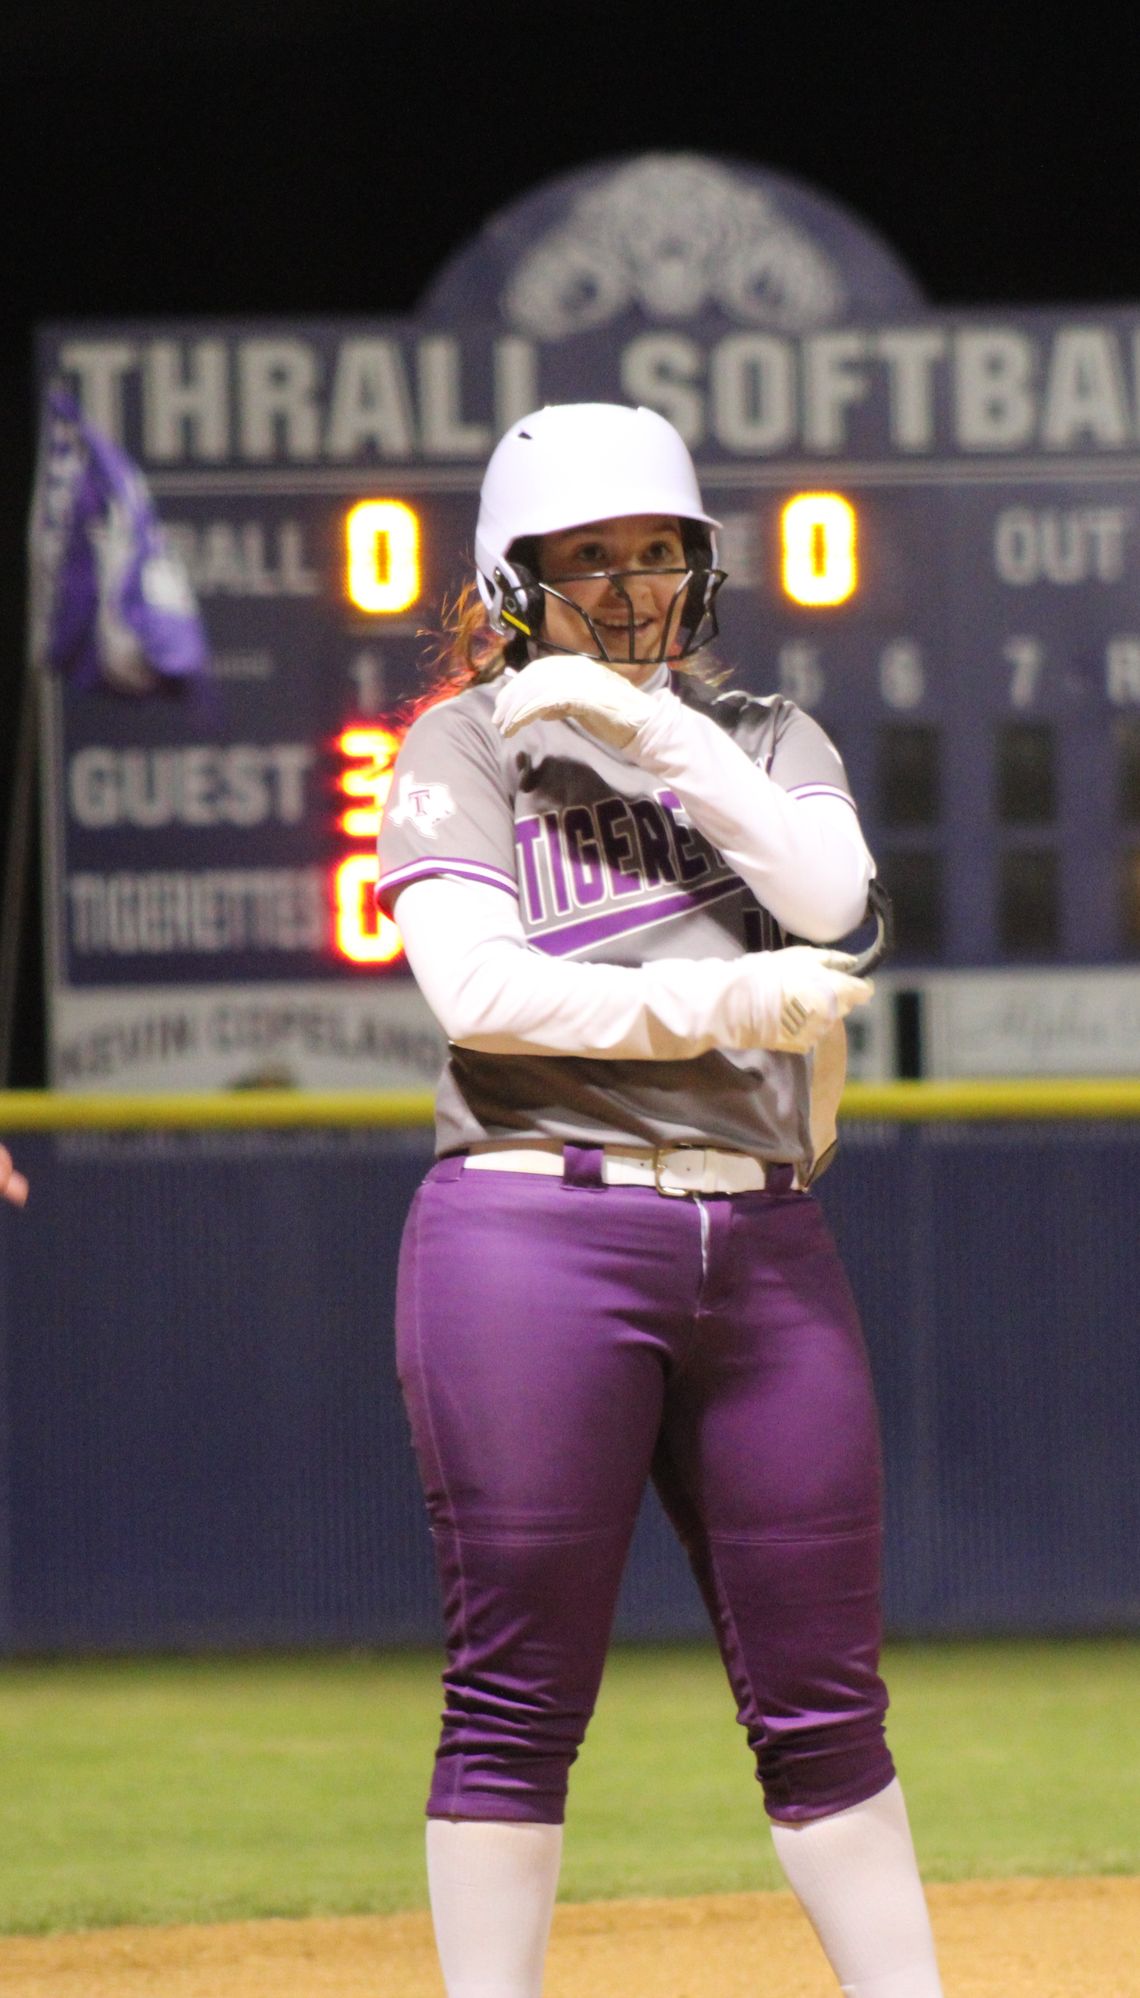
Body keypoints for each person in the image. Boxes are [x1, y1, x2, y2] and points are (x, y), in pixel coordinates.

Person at [377, 402, 942, 1998]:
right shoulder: (462, 743)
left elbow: (833, 899)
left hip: (761, 1234)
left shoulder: (765, 733)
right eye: (584, 559)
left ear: (699, 567)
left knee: (830, 1698)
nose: (626, 588)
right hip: (532, 1229)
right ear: (514, 581)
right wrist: (712, 1008)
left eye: (656, 552)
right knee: (518, 1694)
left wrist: (660, 735)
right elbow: (478, 993)